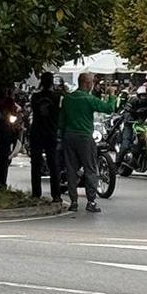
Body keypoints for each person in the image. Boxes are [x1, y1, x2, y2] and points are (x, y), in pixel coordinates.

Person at [58, 71, 103, 213]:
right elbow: (108, 108)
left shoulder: (68, 98)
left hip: (69, 136)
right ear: (87, 83)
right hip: (84, 137)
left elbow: (61, 121)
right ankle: (91, 201)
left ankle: (74, 201)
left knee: (71, 169)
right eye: (92, 83)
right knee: (90, 169)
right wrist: (112, 96)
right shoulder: (89, 99)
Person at [28, 71, 64, 202]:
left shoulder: (35, 97)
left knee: (35, 164)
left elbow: (33, 112)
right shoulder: (57, 97)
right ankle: (56, 195)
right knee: (53, 164)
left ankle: (36, 193)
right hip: (51, 132)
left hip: (36, 132)